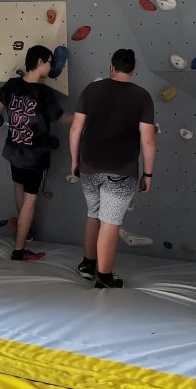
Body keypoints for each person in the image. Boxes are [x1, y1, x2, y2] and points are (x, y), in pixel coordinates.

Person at [69, 49, 156, 288]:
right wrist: (148, 173)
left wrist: (75, 161)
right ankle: (104, 278)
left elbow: (76, 129)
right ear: (133, 70)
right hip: (122, 168)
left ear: (111, 67)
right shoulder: (142, 96)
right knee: (110, 222)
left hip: (89, 164)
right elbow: (148, 139)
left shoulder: (91, 90)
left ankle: (88, 264)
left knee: (93, 214)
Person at [0, 46, 64, 261]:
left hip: (14, 149)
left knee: (18, 187)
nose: (51, 66)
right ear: (40, 62)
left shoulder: (13, 85)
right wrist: (80, 119)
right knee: (31, 199)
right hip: (35, 155)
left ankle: (24, 232)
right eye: (50, 62)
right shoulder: (45, 93)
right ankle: (19, 250)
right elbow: (60, 118)